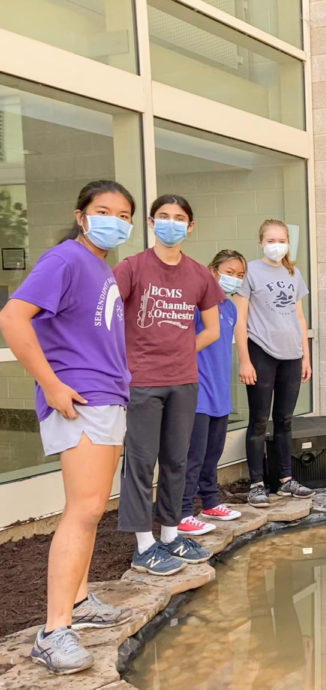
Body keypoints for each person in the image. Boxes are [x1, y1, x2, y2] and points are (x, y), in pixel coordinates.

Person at [0, 181, 135, 674]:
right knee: (85, 509)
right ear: (81, 216)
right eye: (103, 211)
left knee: (90, 510)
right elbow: (13, 318)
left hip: (105, 397)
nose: (115, 220)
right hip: (81, 400)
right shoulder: (64, 259)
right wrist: (51, 385)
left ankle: (79, 602)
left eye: (123, 214)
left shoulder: (98, 267)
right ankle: (53, 631)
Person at [115, 194, 221, 575]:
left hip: (183, 380)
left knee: (176, 460)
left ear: (190, 227)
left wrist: (181, 349)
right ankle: (144, 545)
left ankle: (170, 535)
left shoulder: (199, 274)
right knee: (141, 463)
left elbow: (212, 329)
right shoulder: (131, 267)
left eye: (179, 218)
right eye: (163, 216)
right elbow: (107, 319)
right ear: (150, 222)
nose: (171, 223)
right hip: (141, 382)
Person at [235, 220, 315, 507]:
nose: (276, 245)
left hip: (291, 355)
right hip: (261, 352)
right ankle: (257, 483)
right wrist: (244, 360)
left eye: (281, 240)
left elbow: (300, 318)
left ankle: (285, 480)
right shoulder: (251, 272)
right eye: (270, 240)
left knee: (284, 420)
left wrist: (306, 356)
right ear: (261, 243)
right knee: (258, 421)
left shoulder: (293, 273)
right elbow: (240, 319)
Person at [177, 250, 247, 535]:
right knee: (192, 456)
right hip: (197, 393)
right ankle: (181, 513)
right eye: (229, 272)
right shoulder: (193, 305)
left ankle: (210, 503)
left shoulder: (229, 309)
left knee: (212, 453)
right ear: (213, 269)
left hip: (220, 394)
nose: (234, 279)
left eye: (240, 275)